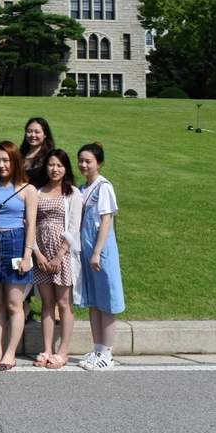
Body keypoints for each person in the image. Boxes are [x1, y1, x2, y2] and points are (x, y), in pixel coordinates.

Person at [0, 141, 38, 372]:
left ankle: (10, 352)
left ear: (15, 160)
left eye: (5, 160)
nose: (1, 165)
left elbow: (32, 226)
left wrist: (27, 256)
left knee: (15, 304)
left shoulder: (28, 189)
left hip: (16, 243)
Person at [31, 149, 83, 370]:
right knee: (47, 304)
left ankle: (63, 351)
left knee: (64, 303)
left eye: (59, 166)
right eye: (51, 165)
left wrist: (59, 255)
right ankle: (47, 349)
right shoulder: (37, 191)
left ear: (66, 169)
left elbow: (74, 227)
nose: (55, 169)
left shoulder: (72, 193)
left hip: (63, 256)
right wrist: (37, 253)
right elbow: (29, 224)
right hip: (41, 254)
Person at [76, 143, 125, 371]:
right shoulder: (82, 188)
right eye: (81, 160)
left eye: (89, 161)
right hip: (86, 249)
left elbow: (106, 221)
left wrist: (97, 252)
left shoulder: (103, 187)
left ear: (99, 163)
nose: (84, 165)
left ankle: (107, 353)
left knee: (107, 299)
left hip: (100, 249)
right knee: (94, 301)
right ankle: (97, 349)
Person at [19, 117, 54, 189]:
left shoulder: (50, 157)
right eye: (29, 131)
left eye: (37, 132)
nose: (33, 135)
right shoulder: (19, 155)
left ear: (45, 134)